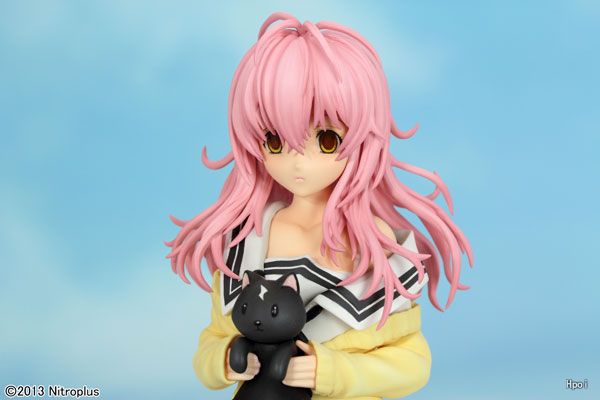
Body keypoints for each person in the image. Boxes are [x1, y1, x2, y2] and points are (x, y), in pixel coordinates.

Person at [166, 11, 473, 400]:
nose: (297, 163)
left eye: (327, 140)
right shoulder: (248, 241)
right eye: (274, 141)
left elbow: (412, 363)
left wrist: (333, 371)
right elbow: (211, 342)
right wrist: (225, 360)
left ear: (364, 138)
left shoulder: (376, 249)